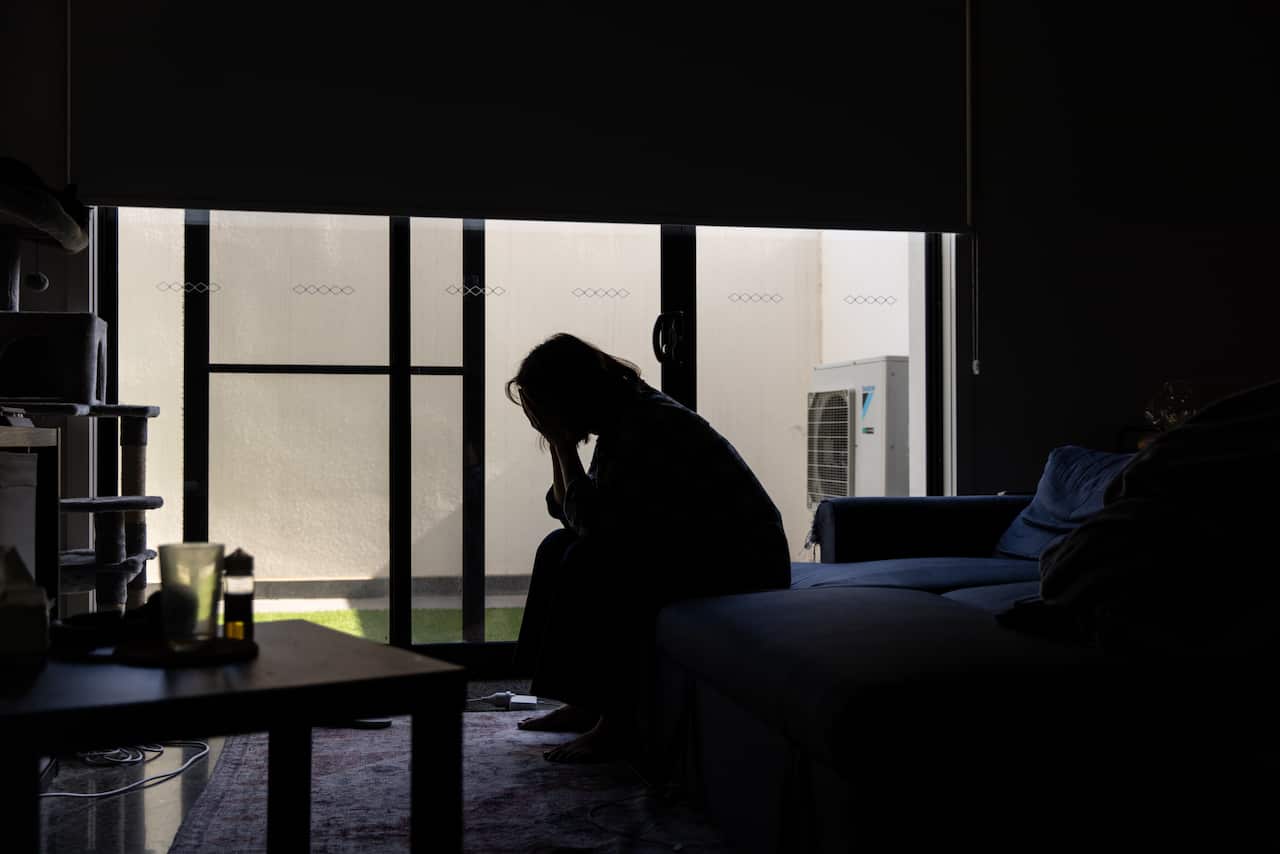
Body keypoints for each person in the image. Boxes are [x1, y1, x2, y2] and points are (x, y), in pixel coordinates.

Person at [509, 332, 791, 762]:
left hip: (742, 563)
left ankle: (618, 723)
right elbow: (569, 512)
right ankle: (586, 702)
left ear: (571, 394)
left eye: (546, 408)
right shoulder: (622, 415)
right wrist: (557, 444)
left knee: (592, 559)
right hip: (691, 548)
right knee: (558, 546)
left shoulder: (647, 424)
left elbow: (597, 527)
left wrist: (564, 444)